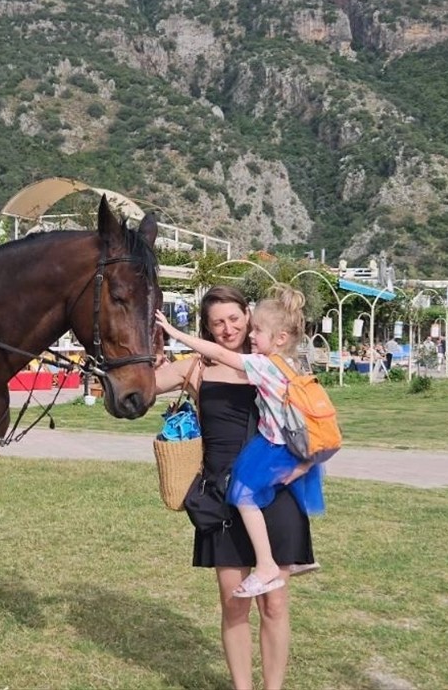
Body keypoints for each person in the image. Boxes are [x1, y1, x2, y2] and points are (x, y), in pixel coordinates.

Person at [153, 286, 316, 690]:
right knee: (234, 604)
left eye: (234, 319)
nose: (227, 329)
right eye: (216, 323)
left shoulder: (275, 365)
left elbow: (317, 421)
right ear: (206, 328)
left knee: (275, 604)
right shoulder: (197, 368)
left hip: (275, 493)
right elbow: (137, 389)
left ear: (248, 315)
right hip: (222, 496)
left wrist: (306, 464)